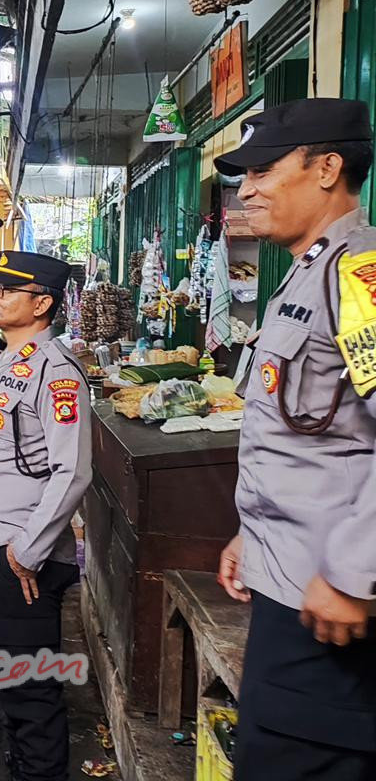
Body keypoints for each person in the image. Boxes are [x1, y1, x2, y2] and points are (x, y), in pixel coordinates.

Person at [211, 98, 376, 780]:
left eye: (262, 171)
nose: (246, 191)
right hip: (291, 580)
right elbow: (311, 441)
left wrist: (356, 574)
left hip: (332, 598)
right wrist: (252, 531)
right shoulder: (308, 274)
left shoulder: (360, 276)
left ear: (327, 168)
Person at [0, 250, 91, 781]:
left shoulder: (56, 373)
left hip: (20, 554)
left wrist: (27, 551)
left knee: (31, 691)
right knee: (8, 677)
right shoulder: (12, 361)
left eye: (6, 290)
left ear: (42, 304)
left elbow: (73, 471)